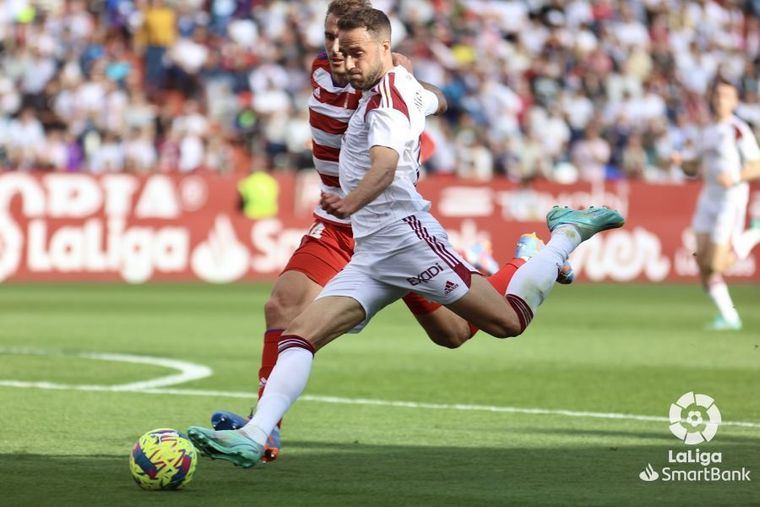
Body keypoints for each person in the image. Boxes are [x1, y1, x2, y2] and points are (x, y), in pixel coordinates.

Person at [187, 7, 623, 467]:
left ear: (384, 50)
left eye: (354, 50)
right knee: (299, 333)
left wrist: (352, 199)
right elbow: (432, 101)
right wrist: (419, 92)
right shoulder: (375, 82)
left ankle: (563, 237)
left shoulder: (387, 100)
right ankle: (257, 434)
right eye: (332, 41)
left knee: (506, 322)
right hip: (372, 248)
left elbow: (386, 164)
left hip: (405, 240)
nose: (342, 56)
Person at [673, 77, 760, 331]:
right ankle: (730, 317)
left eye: (725, 95)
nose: (719, 99)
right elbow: (695, 167)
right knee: (703, 264)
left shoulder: (738, 129)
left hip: (730, 199)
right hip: (708, 198)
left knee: (715, 264)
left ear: (734, 101)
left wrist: (734, 177)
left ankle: (753, 234)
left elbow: (757, 165)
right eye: (717, 95)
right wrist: (680, 162)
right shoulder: (708, 130)